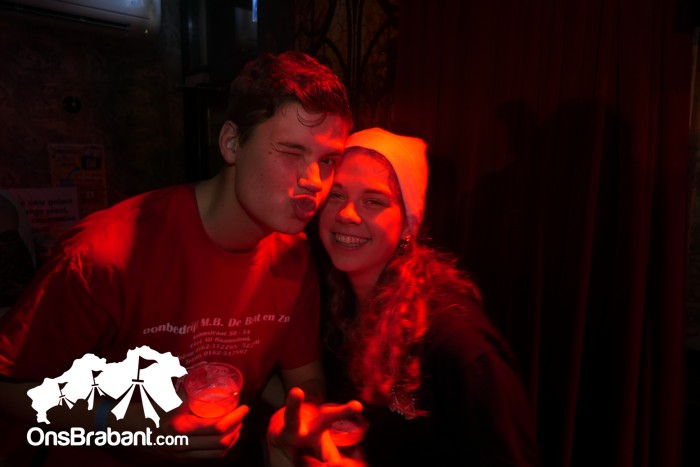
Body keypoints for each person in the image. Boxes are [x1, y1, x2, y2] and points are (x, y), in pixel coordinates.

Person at [0, 51, 353, 466]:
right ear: (232, 143)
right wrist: (123, 425)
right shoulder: (102, 256)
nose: (314, 181)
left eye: (327, 160)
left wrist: (300, 417)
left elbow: (304, 378)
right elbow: (7, 388)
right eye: (292, 152)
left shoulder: (293, 257)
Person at [268, 127, 540, 466]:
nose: (346, 214)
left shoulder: (459, 344)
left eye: (373, 201)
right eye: (336, 195)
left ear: (408, 224)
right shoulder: (333, 302)